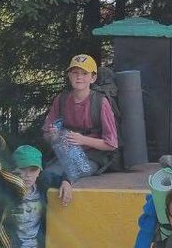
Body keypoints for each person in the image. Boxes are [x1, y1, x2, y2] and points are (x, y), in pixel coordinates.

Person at [41, 54, 117, 192]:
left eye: (84, 73)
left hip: (93, 156)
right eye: (75, 73)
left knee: (70, 174)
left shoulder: (100, 102)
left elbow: (111, 144)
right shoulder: (61, 100)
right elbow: (47, 135)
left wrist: (82, 140)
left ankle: (67, 182)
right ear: (69, 75)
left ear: (93, 78)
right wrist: (53, 135)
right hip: (65, 153)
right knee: (48, 176)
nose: (79, 77)